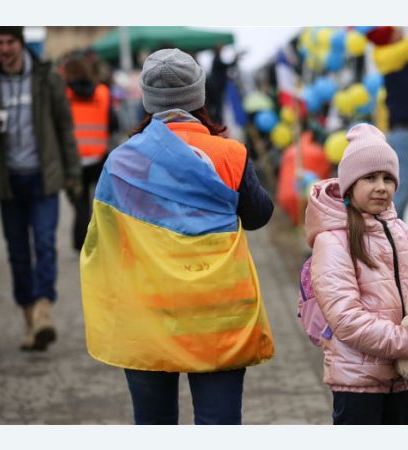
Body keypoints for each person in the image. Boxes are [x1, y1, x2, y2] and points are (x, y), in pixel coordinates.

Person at [80, 48, 275, 425]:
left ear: (147, 98)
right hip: (218, 315)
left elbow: (102, 236)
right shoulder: (230, 154)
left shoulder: (121, 161)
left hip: (148, 313)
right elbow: (259, 215)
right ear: (198, 95)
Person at [304, 123, 408, 425]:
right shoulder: (333, 240)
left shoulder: (400, 230)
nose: (381, 186)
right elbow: (345, 317)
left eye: (388, 178)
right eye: (370, 177)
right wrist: (407, 341)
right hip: (359, 379)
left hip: (401, 375)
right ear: (350, 184)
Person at [0, 26, 82, 351]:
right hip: (8, 180)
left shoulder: (46, 77)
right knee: (18, 253)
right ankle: (28, 319)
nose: (4, 49)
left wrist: (73, 173)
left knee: (46, 244)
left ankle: (44, 312)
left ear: (21, 44)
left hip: (42, 176)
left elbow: (65, 126)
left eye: (10, 42)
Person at [369, 26, 408, 219]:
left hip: (403, 131)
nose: (401, 32)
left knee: (402, 186)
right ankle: (388, 233)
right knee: (401, 187)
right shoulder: (390, 56)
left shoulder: (389, 56)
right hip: (404, 132)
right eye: (395, 32)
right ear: (389, 39)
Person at [63, 54, 115, 251]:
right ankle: (100, 241)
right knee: (100, 202)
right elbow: (112, 123)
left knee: (79, 204)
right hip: (98, 156)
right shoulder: (102, 92)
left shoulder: (64, 95)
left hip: (74, 160)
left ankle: (81, 243)